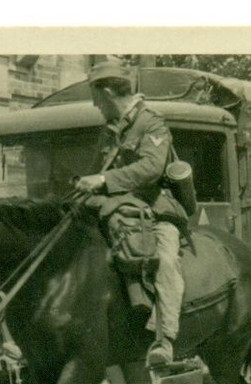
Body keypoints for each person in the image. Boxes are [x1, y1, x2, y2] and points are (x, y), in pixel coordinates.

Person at [73, 57, 188, 367]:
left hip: (154, 209)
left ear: (109, 93)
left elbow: (151, 168)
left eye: (97, 98)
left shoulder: (152, 123)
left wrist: (104, 180)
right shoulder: (109, 130)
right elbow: (96, 169)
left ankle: (165, 339)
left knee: (165, 260)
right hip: (114, 210)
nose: (96, 106)